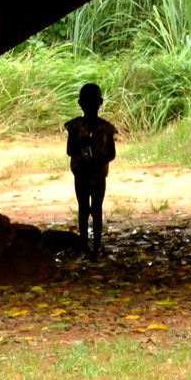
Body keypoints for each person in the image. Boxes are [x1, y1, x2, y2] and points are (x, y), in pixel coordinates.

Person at [64, 83, 117, 257]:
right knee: (86, 209)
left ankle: (94, 248)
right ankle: (88, 248)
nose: (90, 106)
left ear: (100, 102)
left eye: (92, 102)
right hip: (83, 173)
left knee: (93, 209)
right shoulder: (75, 126)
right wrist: (81, 144)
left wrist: (96, 163)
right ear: (80, 104)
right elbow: (70, 150)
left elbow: (111, 154)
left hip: (96, 172)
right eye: (88, 102)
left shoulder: (106, 128)